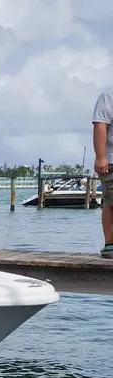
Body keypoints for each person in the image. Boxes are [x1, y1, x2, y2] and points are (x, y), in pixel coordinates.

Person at [92, 91, 113, 256]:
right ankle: (110, 244)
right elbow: (100, 125)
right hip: (111, 160)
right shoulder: (108, 96)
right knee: (111, 201)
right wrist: (100, 157)